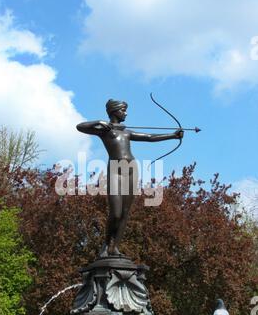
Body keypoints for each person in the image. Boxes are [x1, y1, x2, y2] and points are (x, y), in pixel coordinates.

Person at [76, 99, 184, 257]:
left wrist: (172, 136)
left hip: (131, 169)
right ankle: (106, 246)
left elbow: (148, 137)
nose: (126, 113)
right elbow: (80, 127)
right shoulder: (104, 130)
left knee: (125, 213)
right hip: (115, 170)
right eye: (123, 110)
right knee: (116, 212)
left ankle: (114, 247)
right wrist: (99, 122)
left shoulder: (126, 132)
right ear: (114, 111)